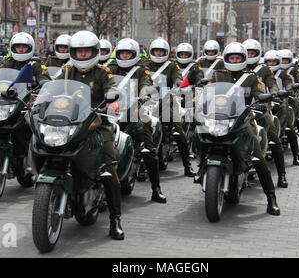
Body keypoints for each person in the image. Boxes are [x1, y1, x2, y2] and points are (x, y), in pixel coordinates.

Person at [57, 31, 125, 240]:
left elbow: (113, 89)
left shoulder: (103, 72)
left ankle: (115, 220)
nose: (83, 55)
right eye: (79, 51)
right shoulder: (67, 70)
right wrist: (39, 96)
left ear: (94, 52)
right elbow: (52, 88)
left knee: (108, 168)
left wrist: (113, 102)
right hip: (71, 123)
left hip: (97, 125)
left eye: (87, 51)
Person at [207, 42, 281, 215]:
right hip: (221, 119)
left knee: (257, 157)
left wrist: (263, 101)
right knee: (202, 135)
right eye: (231, 58)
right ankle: (201, 167)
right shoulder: (218, 75)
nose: (234, 60)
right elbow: (207, 91)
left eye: (237, 58)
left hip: (244, 120)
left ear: (243, 59)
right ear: (226, 59)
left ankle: (271, 198)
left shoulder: (251, 77)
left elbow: (258, 92)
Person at [108, 38, 168, 203]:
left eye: (128, 53)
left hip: (135, 109)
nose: (125, 56)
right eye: (122, 53)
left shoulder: (141, 70)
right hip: (112, 109)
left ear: (134, 54)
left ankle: (156, 189)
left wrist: (143, 95)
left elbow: (146, 84)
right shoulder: (110, 67)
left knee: (148, 147)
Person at [145, 38, 196, 178]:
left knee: (178, 131)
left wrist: (177, 87)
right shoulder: (144, 64)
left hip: (166, 101)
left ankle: (187, 166)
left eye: (161, 51)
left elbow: (178, 78)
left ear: (166, 52)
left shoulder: (172, 66)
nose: (158, 53)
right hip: (146, 101)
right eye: (156, 51)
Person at [243, 39, 288, 188]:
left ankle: (281, 175)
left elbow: (272, 83)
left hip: (260, 107)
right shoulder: (236, 68)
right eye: (247, 52)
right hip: (239, 111)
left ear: (257, 54)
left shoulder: (264, 69)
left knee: (274, 138)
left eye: (252, 53)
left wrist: (273, 93)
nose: (249, 55)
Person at [264, 50, 299, 166]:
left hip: (279, 101)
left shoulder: (283, 73)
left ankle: (296, 155)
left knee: (289, 127)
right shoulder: (261, 73)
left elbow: (288, 83)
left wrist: (287, 90)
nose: (271, 64)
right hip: (264, 103)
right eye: (269, 61)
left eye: (274, 62)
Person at [279, 49, 299, 153]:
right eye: (282, 60)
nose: (284, 62)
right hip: (277, 99)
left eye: (286, 60)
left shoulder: (293, 69)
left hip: (291, 97)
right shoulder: (275, 70)